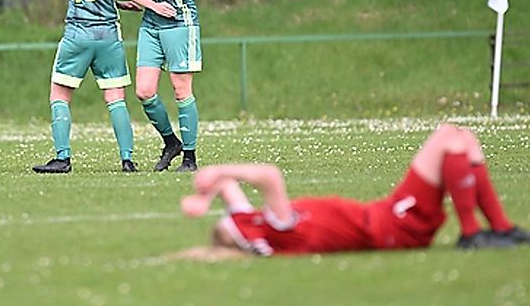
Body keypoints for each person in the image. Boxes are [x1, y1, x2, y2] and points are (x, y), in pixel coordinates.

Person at [176, 123, 530, 258]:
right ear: (245, 237)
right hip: (393, 227)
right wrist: (221, 172)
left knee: (460, 138)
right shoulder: (277, 230)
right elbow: (269, 175)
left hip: (387, 216)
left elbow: (229, 191)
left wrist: (204, 195)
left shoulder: (254, 225)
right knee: (448, 139)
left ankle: (500, 228)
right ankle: (472, 234)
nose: (239, 214)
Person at [33, 0, 176, 174]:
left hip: (77, 35)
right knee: (116, 99)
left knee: (59, 96)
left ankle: (62, 158)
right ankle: (127, 160)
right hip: (108, 37)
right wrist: (152, 6)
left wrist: (128, 4)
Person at [113, 0, 201, 172]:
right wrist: (136, 3)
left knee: (181, 89)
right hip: (151, 24)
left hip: (179, 23)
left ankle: (190, 158)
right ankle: (171, 142)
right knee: (144, 91)